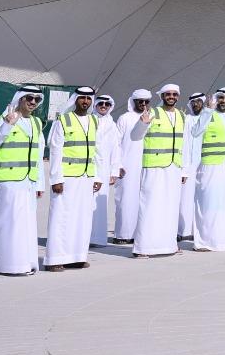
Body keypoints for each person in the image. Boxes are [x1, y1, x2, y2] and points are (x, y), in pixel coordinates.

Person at [0, 87, 45, 275]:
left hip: (28, 181)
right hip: (8, 181)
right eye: (29, 98)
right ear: (20, 99)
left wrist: (40, 183)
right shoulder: (5, 118)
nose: (33, 102)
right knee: (8, 224)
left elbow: (38, 155)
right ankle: (6, 266)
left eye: (37, 99)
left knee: (26, 225)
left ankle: (24, 264)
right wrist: (7, 125)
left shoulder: (36, 122)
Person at [44, 86, 102, 271]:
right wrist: (56, 179)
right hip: (67, 177)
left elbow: (96, 150)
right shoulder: (64, 120)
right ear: (75, 99)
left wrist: (97, 176)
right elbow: (55, 150)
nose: (85, 101)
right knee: (61, 217)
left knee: (82, 218)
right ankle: (54, 259)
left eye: (89, 98)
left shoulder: (94, 120)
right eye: (82, 98)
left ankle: (77, 257)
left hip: (86, 177)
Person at [130, 83, 189, 258]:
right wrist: (142, 124)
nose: (171, 97)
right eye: (168, 94)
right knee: (150, 206)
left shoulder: (181, 115)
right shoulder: (152, 113)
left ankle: (169, 245)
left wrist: (184, 170)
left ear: (178, 96)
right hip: (154, 167)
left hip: (174, 167)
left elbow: (184, 144)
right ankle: (143, 248)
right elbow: (135, 136)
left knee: (171, 208)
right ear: (162, 96)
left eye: (174, 94)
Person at [189, 87, 225, 252]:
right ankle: (205, 242)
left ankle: (224, 241)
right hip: (209, 167)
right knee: (208, 204)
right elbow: (195, 132)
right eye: (221, 98)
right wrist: (207, 111)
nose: (223, 101)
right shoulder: (208, 113)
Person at [111, 90, 151, 244]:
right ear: (133, 101)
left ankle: (139, 235)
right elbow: (116, 143)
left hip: (147, 165)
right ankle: (123, 235)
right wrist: (118, 164)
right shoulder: (124, 118)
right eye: (140, 101)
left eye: (146, 101)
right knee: (126, 201)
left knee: (144, 202)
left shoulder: (152, 117)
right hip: (127, 166)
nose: (143, 104)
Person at [90, 94, 119, 247]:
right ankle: (85, 237)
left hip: (105, 169)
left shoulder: (112, 124)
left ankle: (98, 238)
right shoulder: (89, 120)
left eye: (107, 104)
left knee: (100, 204)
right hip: (90, 167)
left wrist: (114, 171)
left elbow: (115, 148)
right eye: (100, 103)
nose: (103, 106)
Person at [179, 91, 204, 240]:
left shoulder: (209, 118)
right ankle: (184, 231)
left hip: (204, 165)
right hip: (188, 165)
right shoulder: (186, 119)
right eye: (193, 102)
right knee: (185, 199)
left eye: (199, 101)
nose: (196, 104)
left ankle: (198, 231)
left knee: (202, 199)